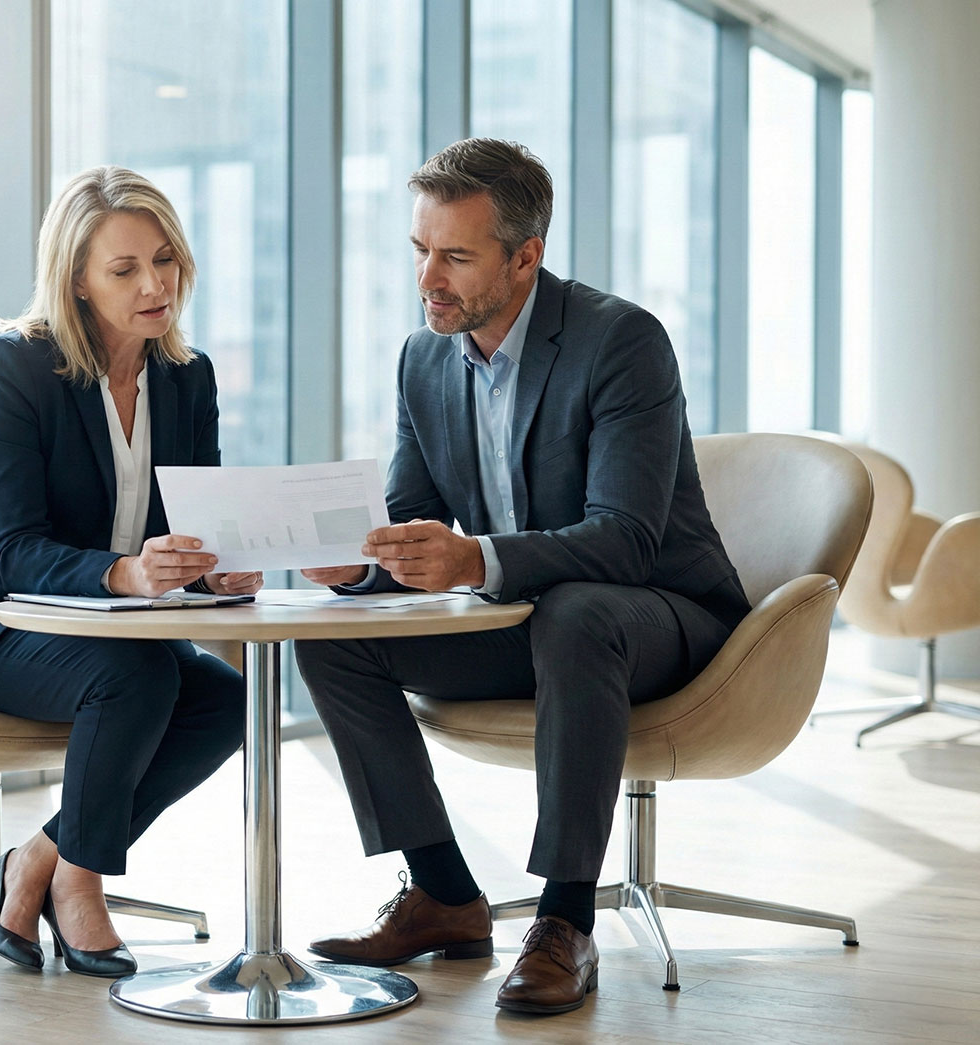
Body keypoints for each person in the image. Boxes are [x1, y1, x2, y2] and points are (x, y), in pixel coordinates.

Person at [294, 138, 750, 1015]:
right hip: (534, 621)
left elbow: (625, 540)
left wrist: (477, 559)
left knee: (577, 613)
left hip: (665, 617)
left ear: (525, 256)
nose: (430, 276)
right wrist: (363, 562)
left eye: (456, 257)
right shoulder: (423, 359)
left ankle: (565, 920)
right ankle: (443, 891)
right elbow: (414, 517)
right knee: (334, 632)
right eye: (421, 250)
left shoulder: (620, 341)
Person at [0, 166, 261, 979]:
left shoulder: (186, 377)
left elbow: (187, 521)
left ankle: (38, 858)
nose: (155, 284)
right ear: (78, 283)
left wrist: (213, 571)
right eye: (124, 270)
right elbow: (12, 549)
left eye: (164, 259)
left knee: (228, 699)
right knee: (136, 680)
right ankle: (80, 882)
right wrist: (127, 572)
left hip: (92, 630)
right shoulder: (14, 368)